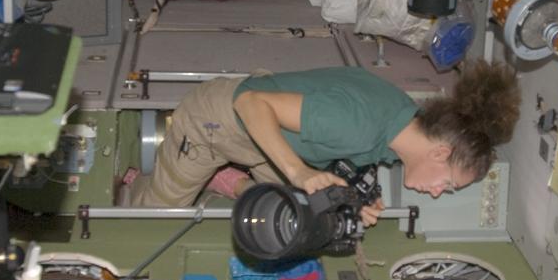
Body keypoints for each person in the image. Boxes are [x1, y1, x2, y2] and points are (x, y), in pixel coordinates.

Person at [128, 61, 520, 224]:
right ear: (440, 151)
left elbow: (343, 155)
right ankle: (132, 187)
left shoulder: (400, 124)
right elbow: (251, 103)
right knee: (156, 218)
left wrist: (352, 197)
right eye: (447, 183)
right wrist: (299, 172)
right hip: (220, 121)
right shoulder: (357, 123)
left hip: (269, 136)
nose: (437, 192)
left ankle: (228, 180)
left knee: (290, 210)